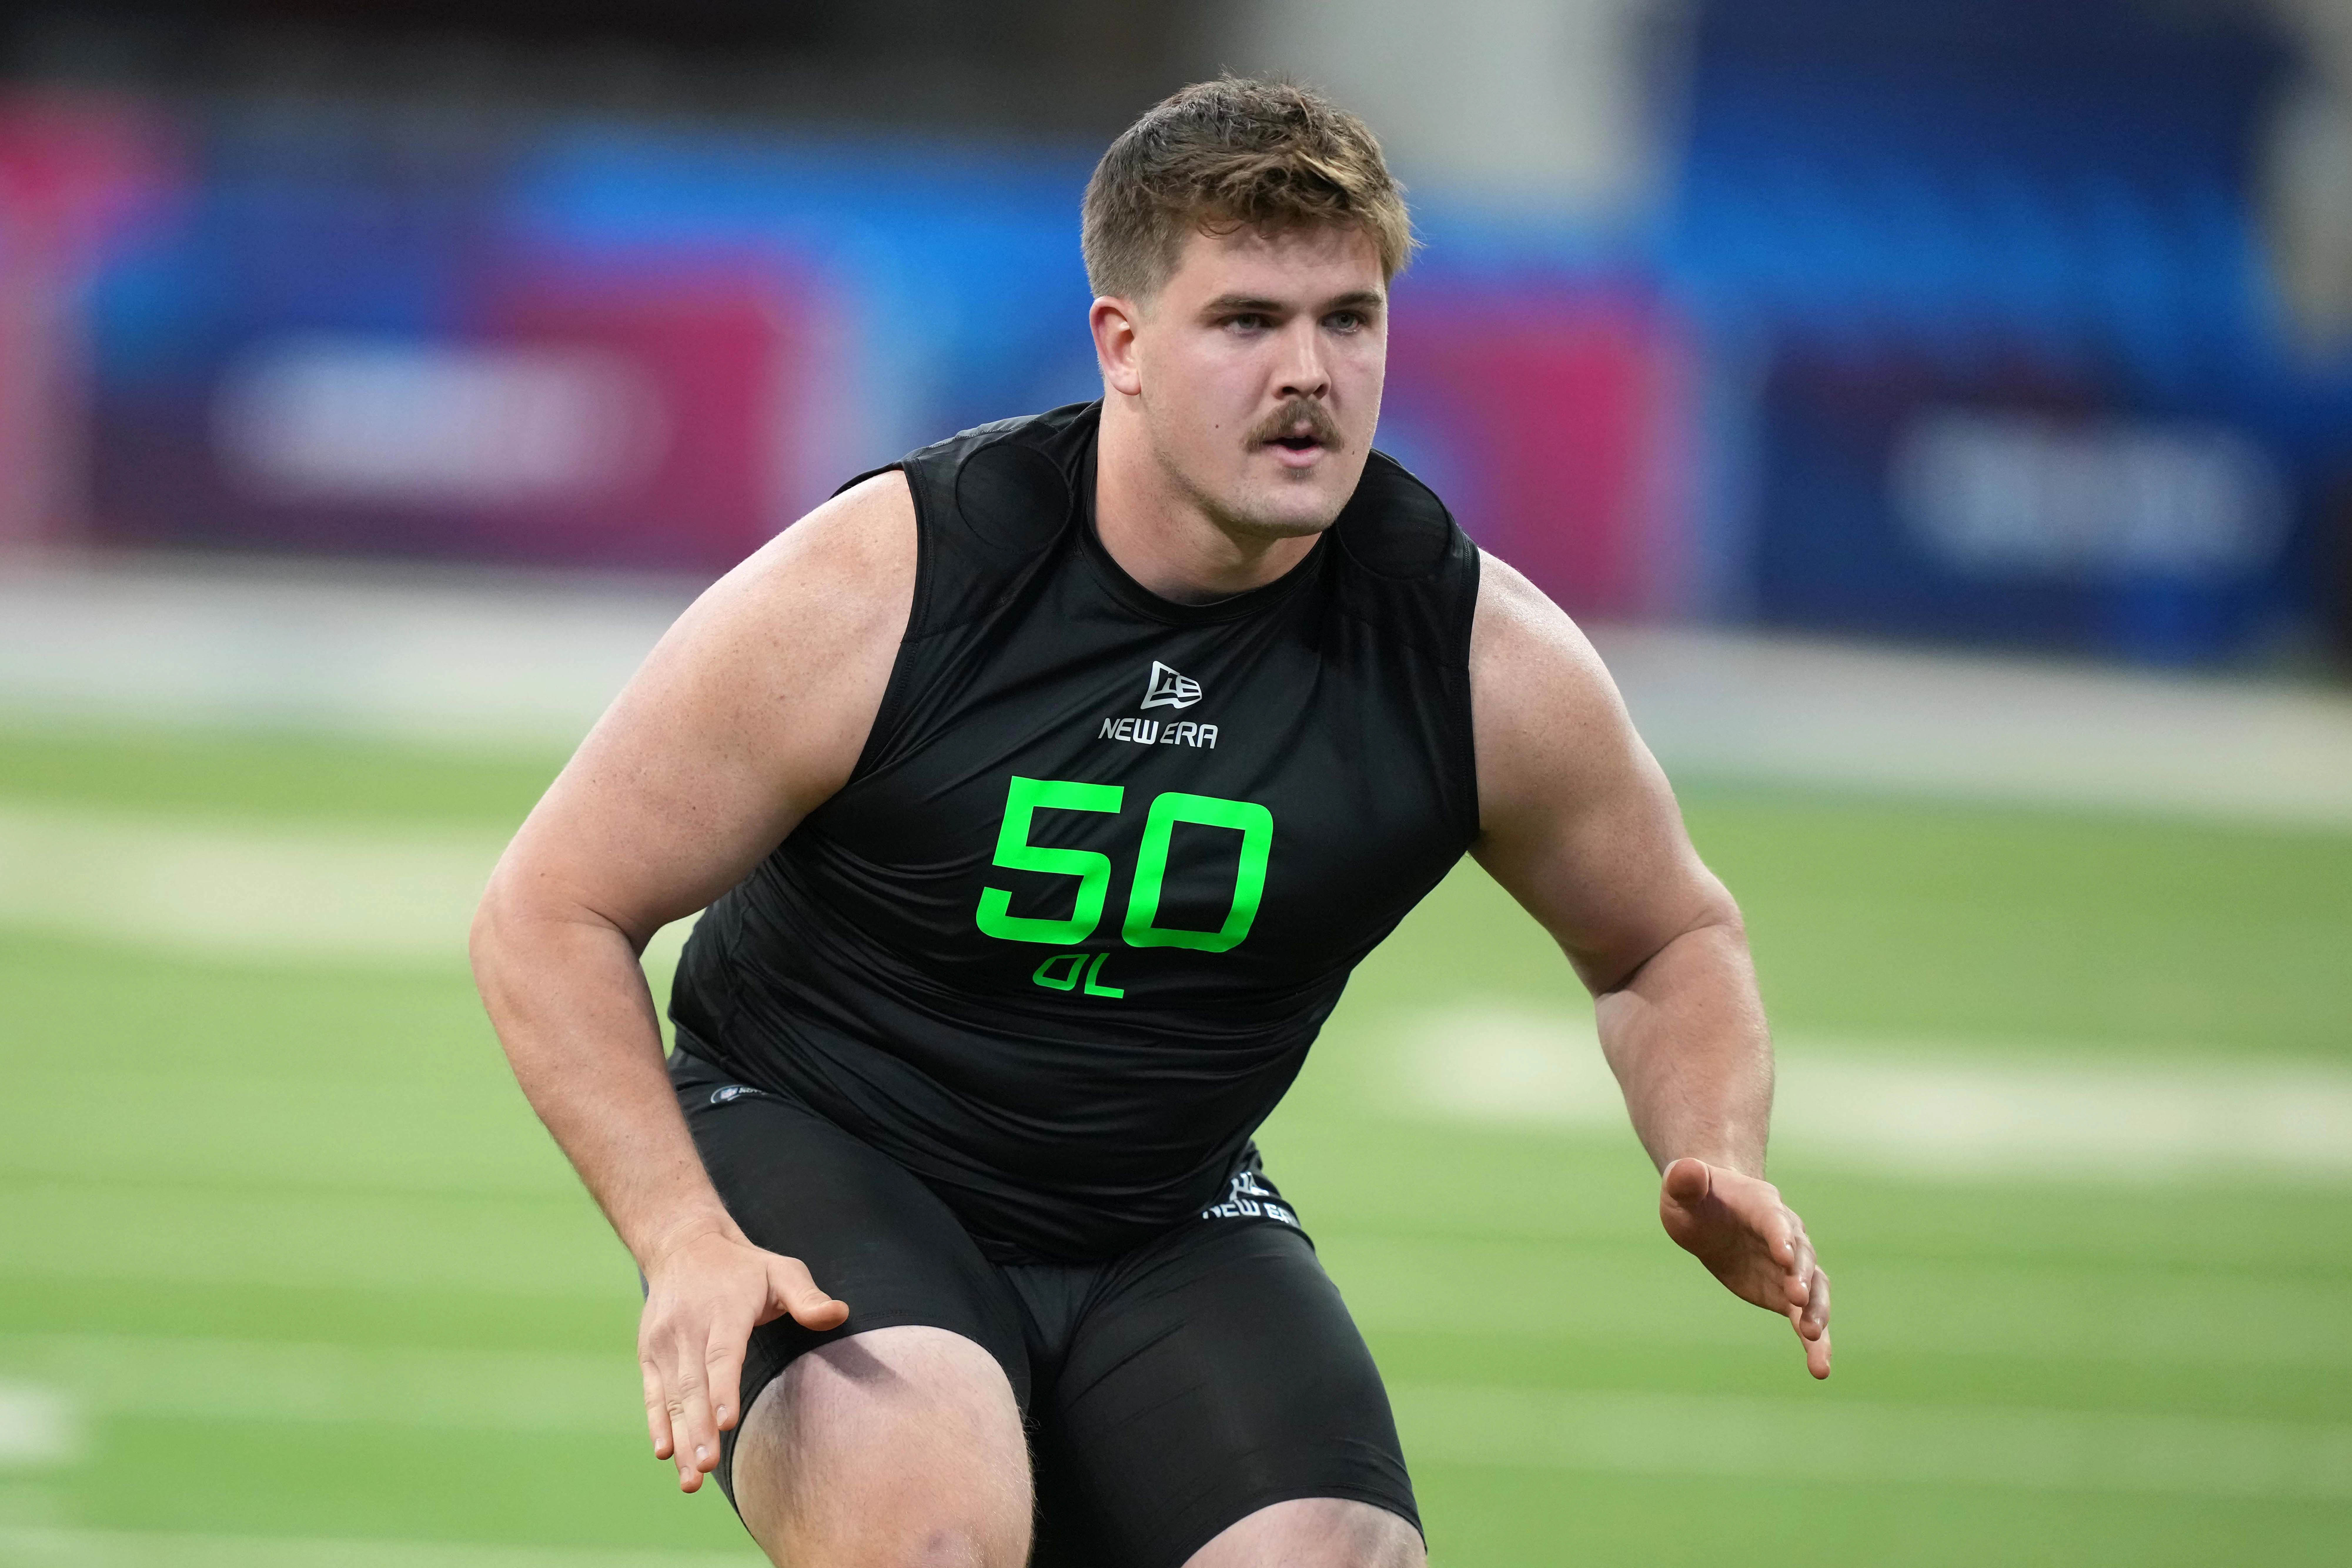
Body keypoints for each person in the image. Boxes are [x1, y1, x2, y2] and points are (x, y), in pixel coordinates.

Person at [472, 75, 1831, 1568]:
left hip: (1162, 1203)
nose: (1308, 371)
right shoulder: (892, 581)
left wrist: (1717, 1148)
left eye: (1350, 320)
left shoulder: (1470, 652)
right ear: (1122, 342)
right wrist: (683, 1236)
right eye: (1248, 320)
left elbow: (1664, 936)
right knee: (931, 1537)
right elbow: (550, 910)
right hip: (833, 1141)